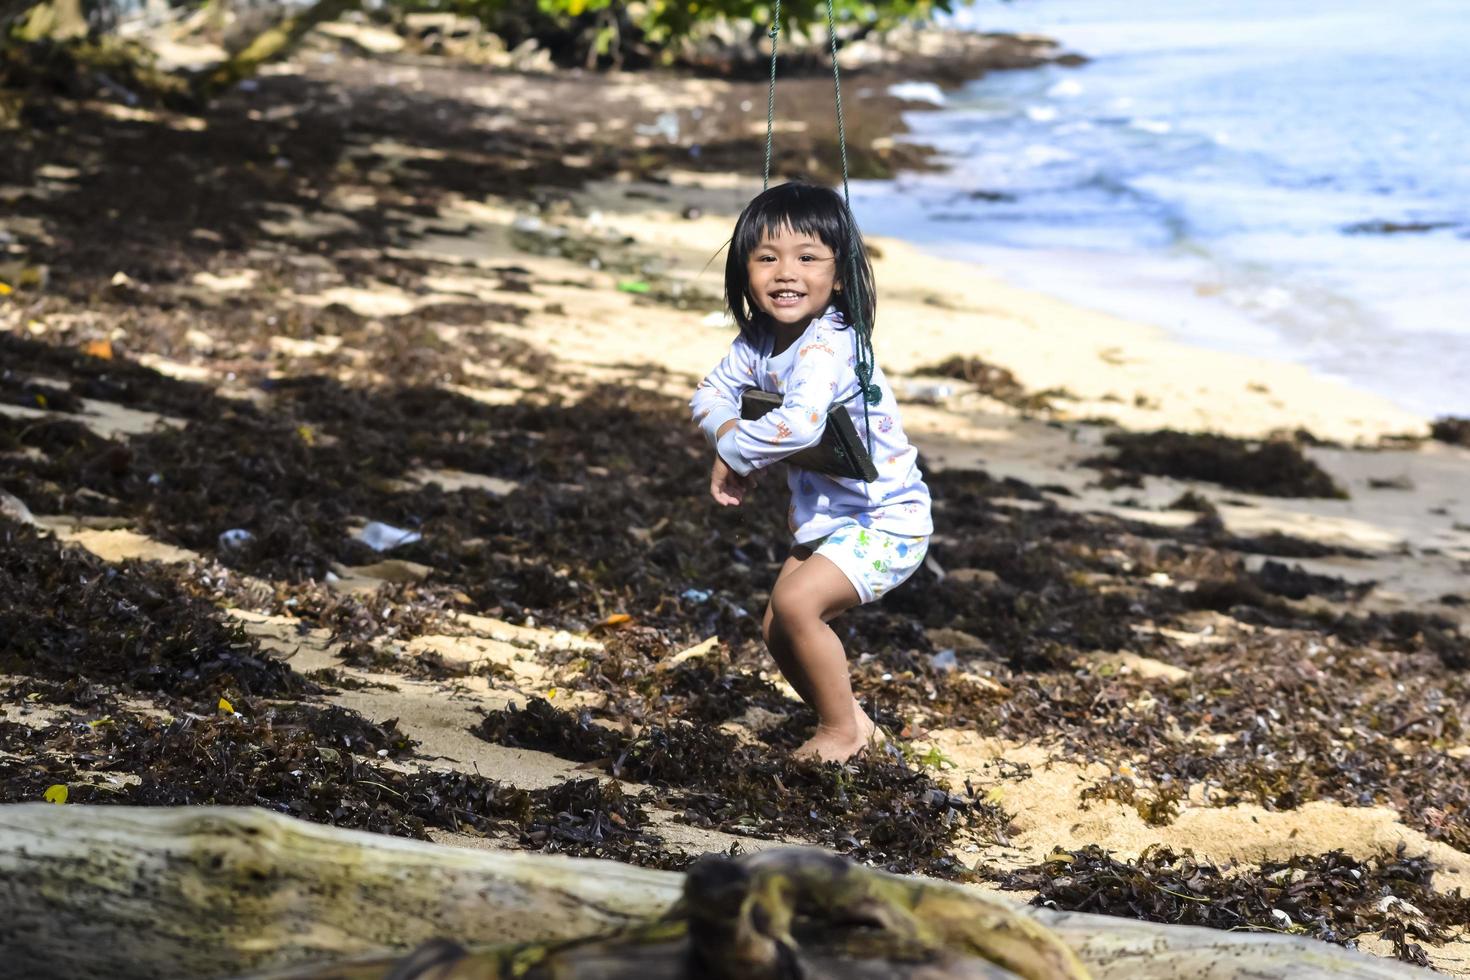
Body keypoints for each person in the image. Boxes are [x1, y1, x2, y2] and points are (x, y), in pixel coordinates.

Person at [690, 181, 933, 763]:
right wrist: (728, 438)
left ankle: (838, 731)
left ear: (842, 274)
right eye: (766, 257)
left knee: (799, 608)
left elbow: (799, 425)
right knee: (777, 627)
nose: (785, 273)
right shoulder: (757, 341)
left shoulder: (830, 346)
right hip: (828, 522)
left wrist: (739, 455)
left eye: (807, 257)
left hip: (886, 521)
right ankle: (857, 727)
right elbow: (709, 393)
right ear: (744, 270)